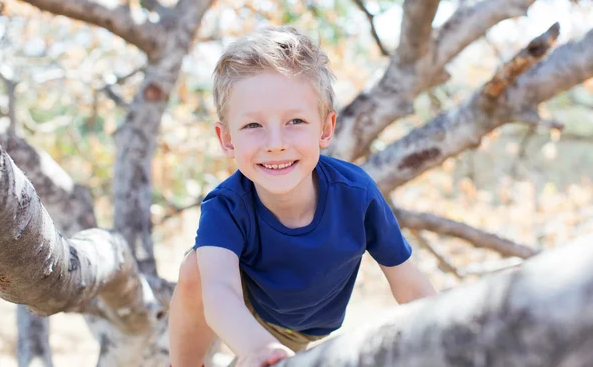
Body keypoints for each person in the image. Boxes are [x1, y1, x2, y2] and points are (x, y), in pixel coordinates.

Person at [168, 26, 437, 367]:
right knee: (195, 267)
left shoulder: (355, 194)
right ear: (227, 139)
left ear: (325, 129)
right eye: (253, 126)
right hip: (240, 310)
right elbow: (220, 293)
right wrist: (255, 347)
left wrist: (448, 329)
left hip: (301, 330)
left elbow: (410, 285)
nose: (276, 142)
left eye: (295, 121)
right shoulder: (226, 206)